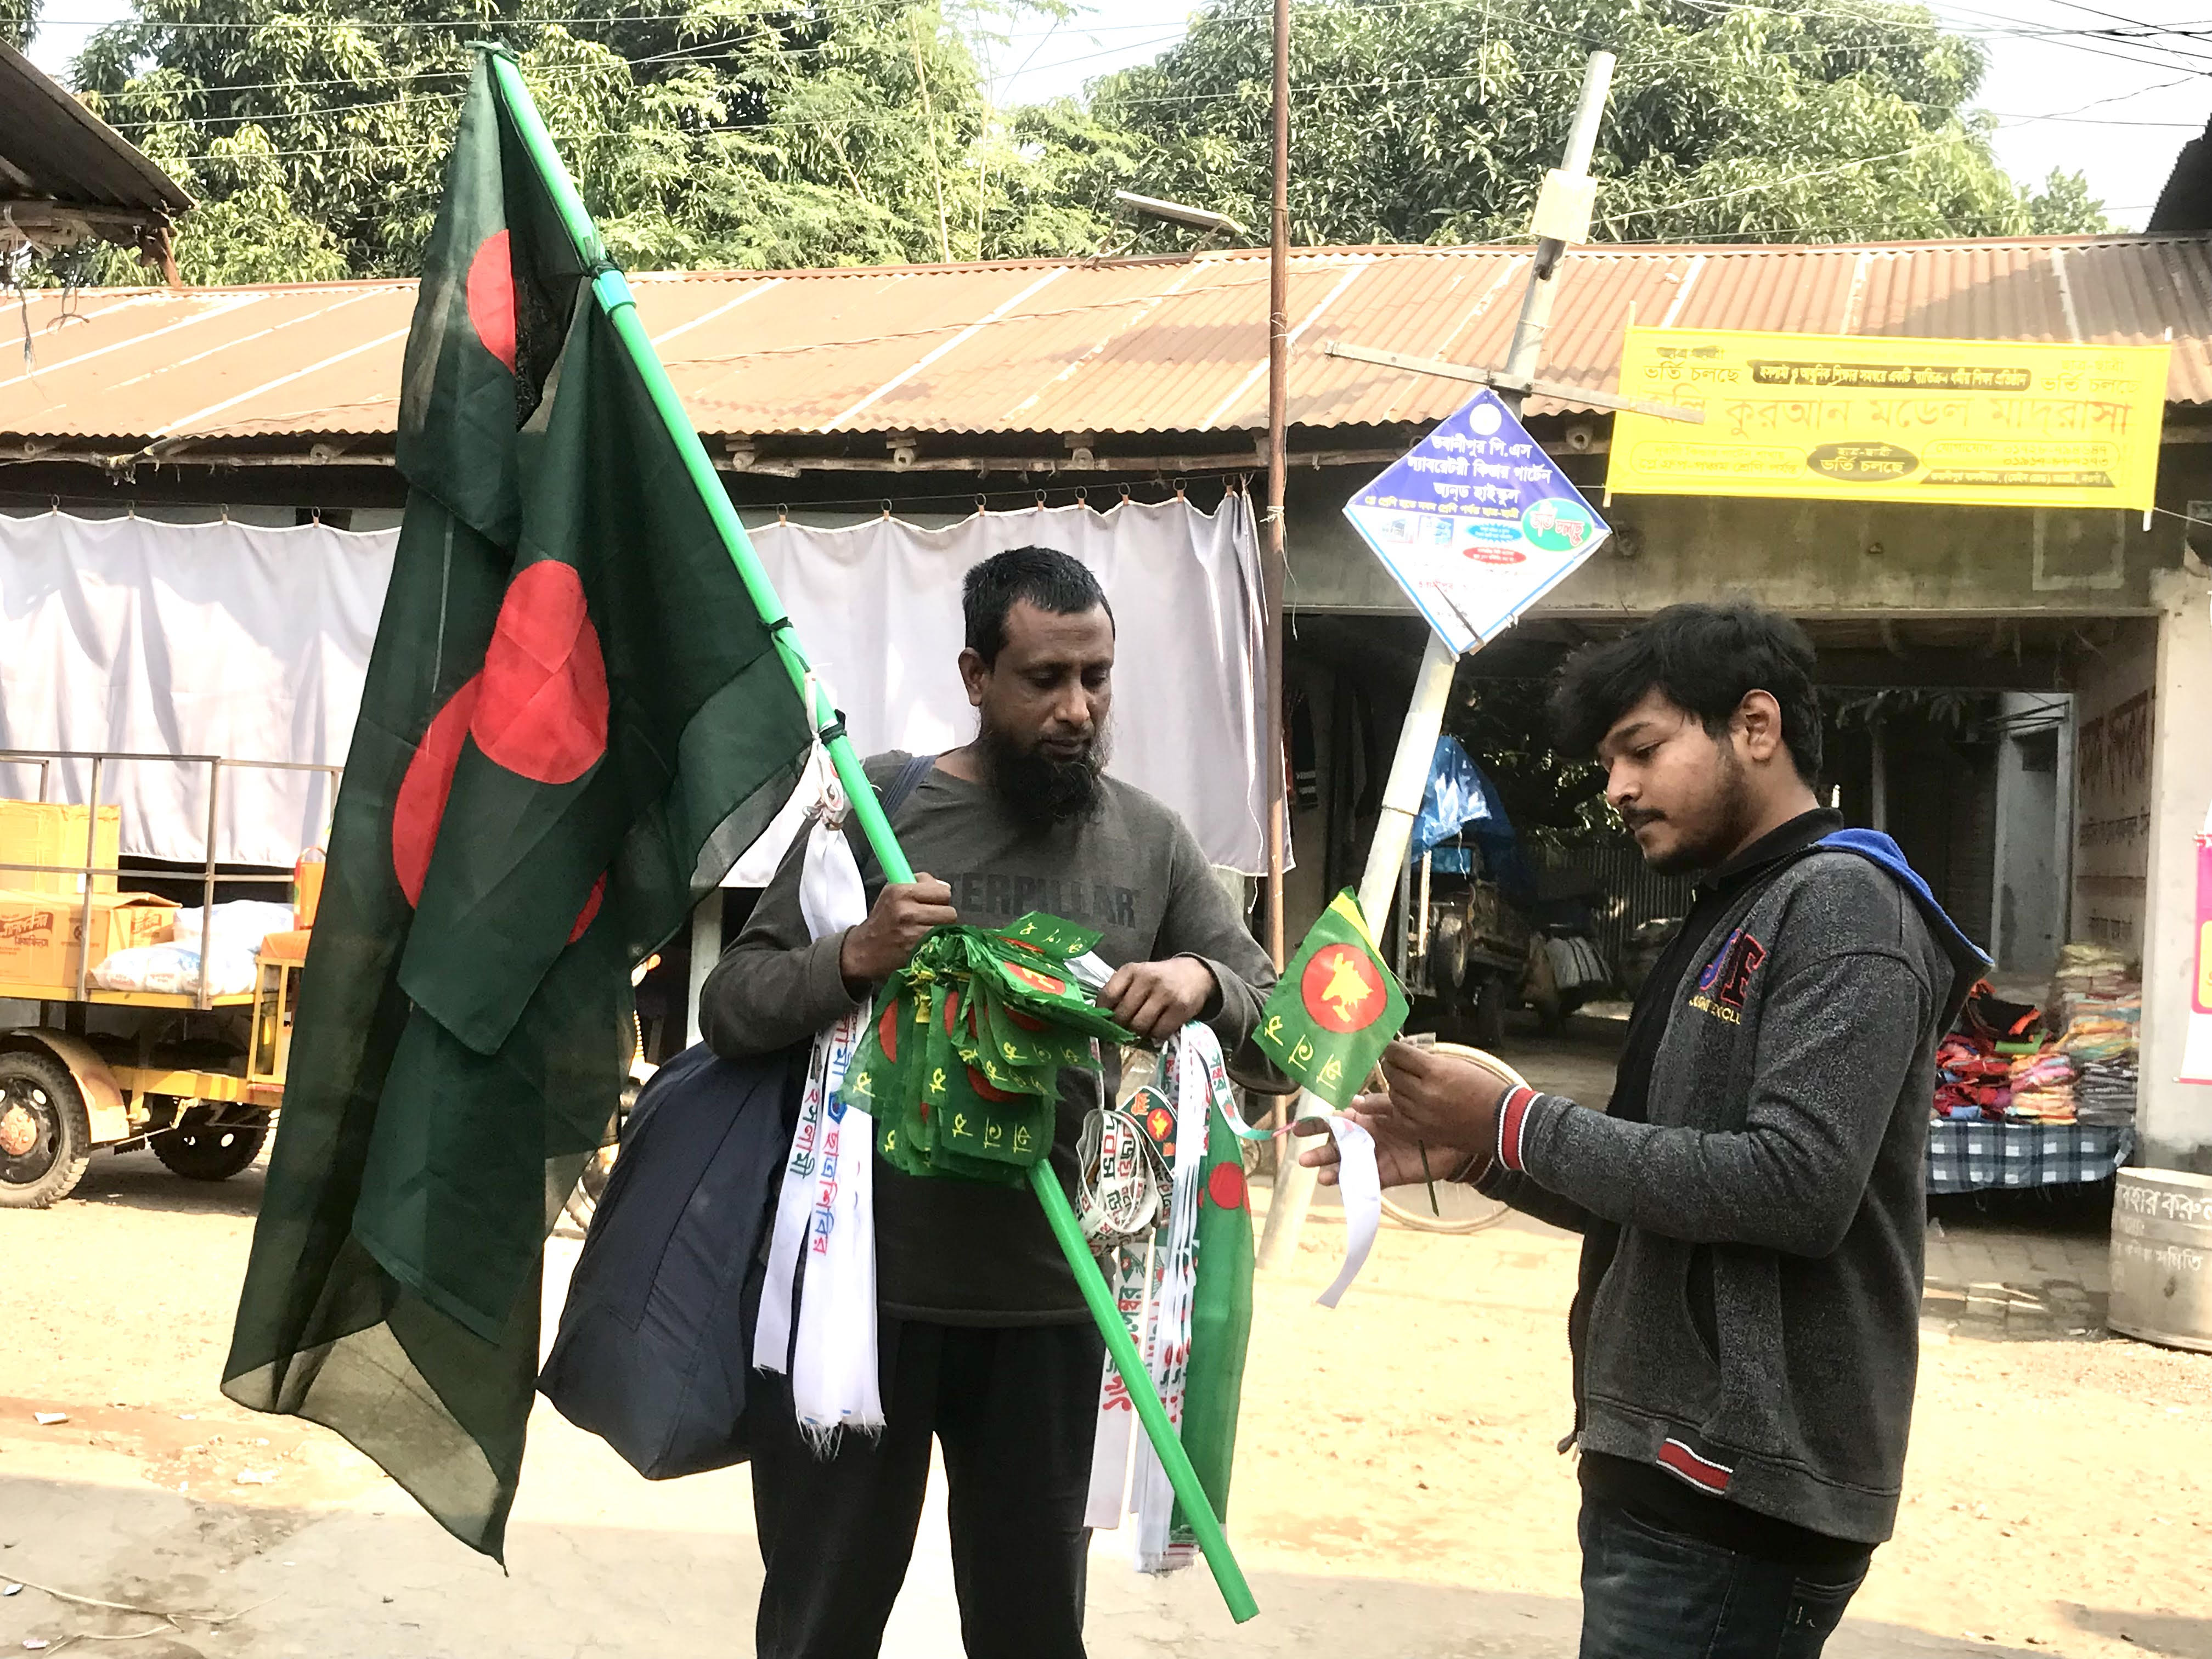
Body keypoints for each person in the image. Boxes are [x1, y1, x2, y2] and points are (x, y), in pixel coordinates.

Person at [1299, 603, 1983, 1659]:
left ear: (1755, 727)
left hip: (1738, 1484)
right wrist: (1486, 1156)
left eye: (1642, 750)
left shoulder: (1847, 907)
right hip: (1670, 1460)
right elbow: (1668, 1176)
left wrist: (1518, 1119)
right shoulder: (1738, 903)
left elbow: (1797, 1188)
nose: (1617, 787)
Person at [701, 545, 1276, 1659]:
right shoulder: (878, 811)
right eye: (1044, 678)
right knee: (820, 1620)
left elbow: (1286, 1034)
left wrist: (1206, 985)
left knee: (1030, 1631)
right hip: (859, 1303)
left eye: (1097, 678)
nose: (1077, 709)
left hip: (1052, 1309)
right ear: (975, 675)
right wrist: (855, 954)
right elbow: (733, 1005)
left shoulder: (1151, 843)